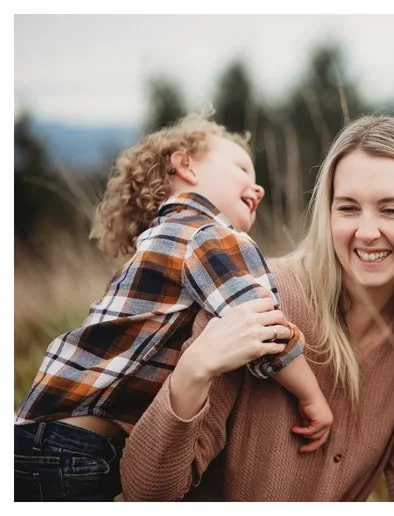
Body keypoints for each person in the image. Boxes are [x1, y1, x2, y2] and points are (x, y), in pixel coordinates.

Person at [119, 115, 394, 501]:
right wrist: (192, 372)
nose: (365, 232)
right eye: (347, 208)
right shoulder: (257, 299)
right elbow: (147, 494)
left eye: (391, 210)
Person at [14, 114, 333, 502]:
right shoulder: (207, 233)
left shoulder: (162, 238)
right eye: (241, 168)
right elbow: (260, 324)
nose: (259, 186)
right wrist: (312, 397)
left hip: (44, 439)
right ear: (185, 166)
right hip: (69, 450)